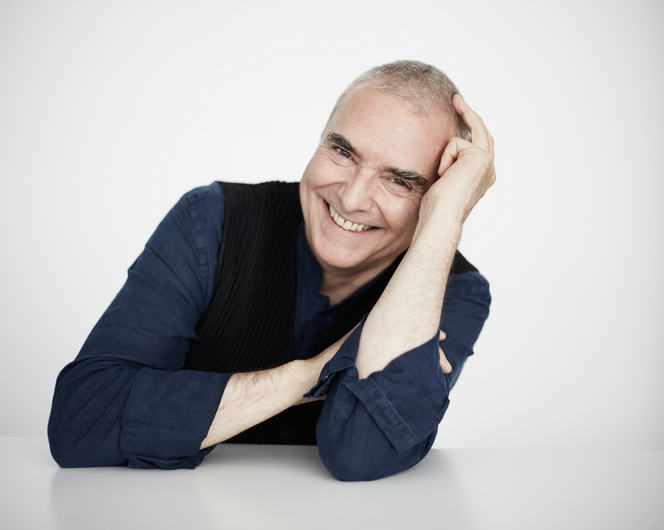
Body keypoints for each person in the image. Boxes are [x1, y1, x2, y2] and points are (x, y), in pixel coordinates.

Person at [48, 60, 495, 481]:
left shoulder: (456, 291)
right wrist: (316, 371)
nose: (352, 198)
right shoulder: (211, 220)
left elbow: (362, 451)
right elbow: (81, 419)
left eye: (400, 181)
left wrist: (445, 221)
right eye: (342, 151)